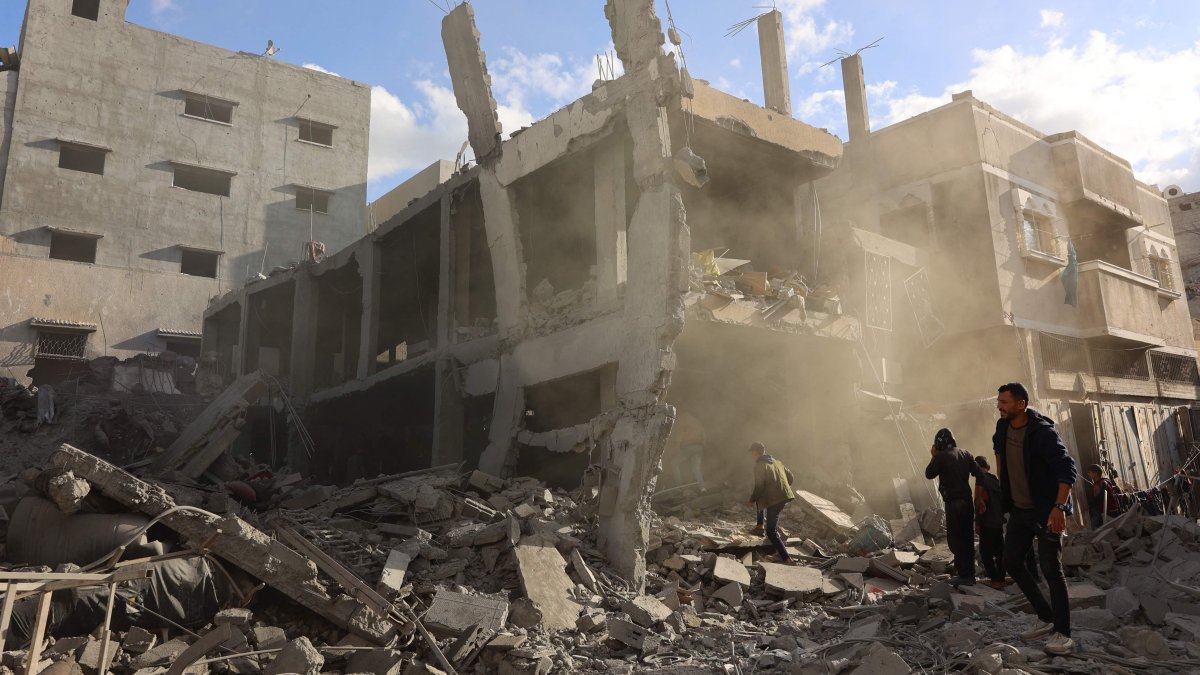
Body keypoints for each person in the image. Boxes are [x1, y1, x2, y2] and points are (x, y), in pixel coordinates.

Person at [994, 382, 1078, 656]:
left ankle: (1063, 634)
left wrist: (1059, 507)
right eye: (999, 401)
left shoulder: (1043, 432)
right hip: (1020, 509)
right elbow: (1000, 457)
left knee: (1051, 569)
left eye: (1004, 402)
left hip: (1047, 509)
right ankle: (1045, 616)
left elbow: (1067, 468)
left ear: (1021, 404)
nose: (999, 406)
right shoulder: (1003, 427)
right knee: (1011, 561)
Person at [924, 428, 984, 587]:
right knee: (967, 538)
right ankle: (968, 574)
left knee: (955, 540)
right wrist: (979, 496)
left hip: (953, 503)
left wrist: (933, 457)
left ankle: (964, 575)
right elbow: (980, 473)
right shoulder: (966, 453)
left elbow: (929, 474)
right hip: (967, 502)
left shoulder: (941, 457)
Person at [746, 442, 796, 564]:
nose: (752, 456)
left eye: (752, 453)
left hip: (775, 499)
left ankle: (787, 558)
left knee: (771, 531)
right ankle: (759, 526)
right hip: (784, 496)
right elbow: (791, 477)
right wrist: (782, 488)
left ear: (755, 453)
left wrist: (751, 500)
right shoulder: (777, 462)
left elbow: (759, 486)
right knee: (761, 498)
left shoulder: (759, 466)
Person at [973, 456, 1007, 588]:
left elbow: (980, 505)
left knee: (985, 553)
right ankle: (1002, 578)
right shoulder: (995, 480)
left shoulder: (981, 482)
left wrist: (978, 523)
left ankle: (994, 579)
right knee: (999, 552)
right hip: (998, 522)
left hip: (987, 523)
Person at [669, 409, 707, 491]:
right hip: (699, 447)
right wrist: (700, 445)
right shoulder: (697, 421)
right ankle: (702, 487)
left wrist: (677, 448)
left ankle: (678, 486)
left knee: (674, 463)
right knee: (696, 468)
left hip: (689, 446)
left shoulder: (683, 419)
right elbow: (704, 436)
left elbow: (680, 435)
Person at [1085, 464, 1121, 529]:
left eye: (1089, 472)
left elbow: (1102, 496)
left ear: (1095, 473)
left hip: (1109, 510)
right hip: (1102, 510)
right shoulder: (1096, 483)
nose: (1088, 474)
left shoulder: (1103, 482)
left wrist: (1092, 502)